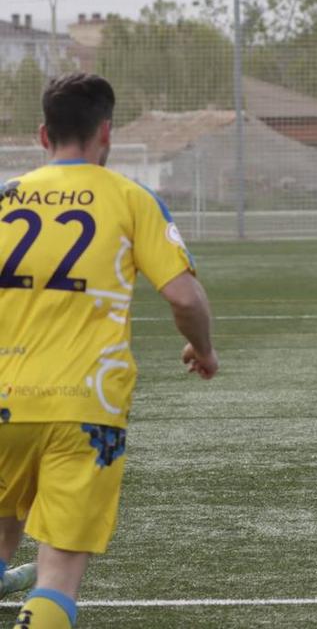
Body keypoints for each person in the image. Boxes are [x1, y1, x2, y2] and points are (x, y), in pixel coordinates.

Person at [0, 73, 219, 628]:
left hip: (3, 402)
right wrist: (203, 349)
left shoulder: (5, 199)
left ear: (42, 135)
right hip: (86, 407)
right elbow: (184, 296)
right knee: (58, 573)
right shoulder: (130, 199)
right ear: (107, 134)